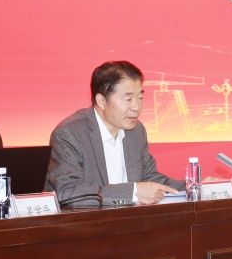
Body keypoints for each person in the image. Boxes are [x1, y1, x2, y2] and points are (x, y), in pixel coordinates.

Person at [46, 61, 183, 206]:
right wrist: (132, 192)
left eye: (140, 98)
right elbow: (67, 192)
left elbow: (149, 178)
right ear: (101, 101)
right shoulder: (69, 133)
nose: (136, 107)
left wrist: (194, 186)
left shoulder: (136, 131)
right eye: (128, 99)